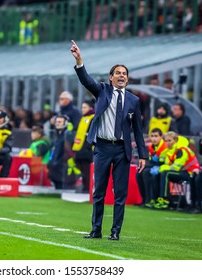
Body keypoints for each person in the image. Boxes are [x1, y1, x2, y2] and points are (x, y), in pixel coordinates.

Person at [71, 40, 147, 241]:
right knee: (99, 192)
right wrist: (79, 59)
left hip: (122, 150)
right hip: (103, 148)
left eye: (125, 74)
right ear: (111, 77)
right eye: (118, 73)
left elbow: (138, 131)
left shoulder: (134, 100)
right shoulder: (102, 90)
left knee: (120, 194)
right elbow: (86, 80)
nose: (122, 76)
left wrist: (142, 155)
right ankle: (96, 230)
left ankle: (115, 231)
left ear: (127, 80)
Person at [155, 131, 200, 210]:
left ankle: (165, 200)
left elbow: (176, 167)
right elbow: (167, 164)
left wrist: (161, 168)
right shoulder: (170, 150)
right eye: (166, 141)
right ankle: (154, 199)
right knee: (157, 173)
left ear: (175, 140)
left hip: (190, 173)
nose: (167, 143)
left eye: (169, 140)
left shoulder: (182, 150)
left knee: (165, 173)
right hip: (182, 172)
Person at [136, 128, 168, 208]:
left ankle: (150, 199)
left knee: (146, 172)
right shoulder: (151, 147)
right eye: (152, 136)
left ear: (161, 137)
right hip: (154, 166)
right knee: (139, 173)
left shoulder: (164, 147)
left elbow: (161, 162)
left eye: (156, 136)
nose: (154, 138)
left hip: (162, 167)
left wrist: (147, 165)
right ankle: (144, 199)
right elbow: (150, 160)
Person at [47, 114, 76, 190]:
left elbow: (68, 151)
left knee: (62, 188)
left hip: (62, 166)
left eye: (60, 122)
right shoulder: (57, 134)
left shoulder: (68, 134)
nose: (57, 123)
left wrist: (57, 162)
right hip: (55, 166)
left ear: (65, 123)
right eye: (56, 122)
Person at [72, 100, 95, 193]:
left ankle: (87, 189)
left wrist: (88, 148)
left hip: (87, 149)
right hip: (80, 148)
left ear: (91, 108)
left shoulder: (93, 118)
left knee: (87, 170)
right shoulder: (83, 118)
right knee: (82, 170)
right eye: (82, 107)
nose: (82, 109)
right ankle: (85, 188)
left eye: (84, 107)